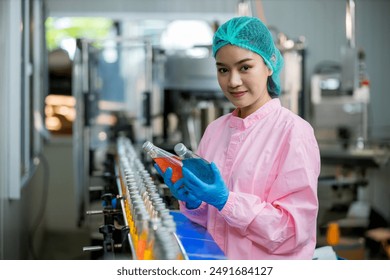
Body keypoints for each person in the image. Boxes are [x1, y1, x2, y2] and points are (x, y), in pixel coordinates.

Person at [157, 16, 321, 260]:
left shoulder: (293, 132)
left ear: (268, 65)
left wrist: (226, 201)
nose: (233, 81)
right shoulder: (215, 130)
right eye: (223, 69)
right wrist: (194, 203)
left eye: (245, 67)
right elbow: (211, 220)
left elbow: (291, 231)